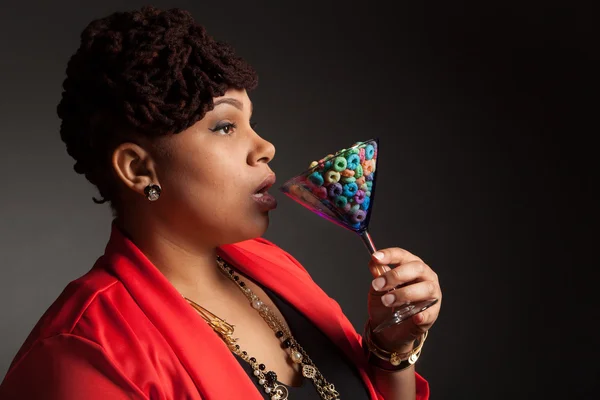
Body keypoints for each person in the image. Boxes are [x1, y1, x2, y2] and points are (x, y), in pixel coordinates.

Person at [0, 6, 442, 400]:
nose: (265, 146)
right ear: (138, 170)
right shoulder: (85, 350)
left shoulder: (272, 269)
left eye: (250, 121)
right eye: (225, 126)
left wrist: (393, 348)